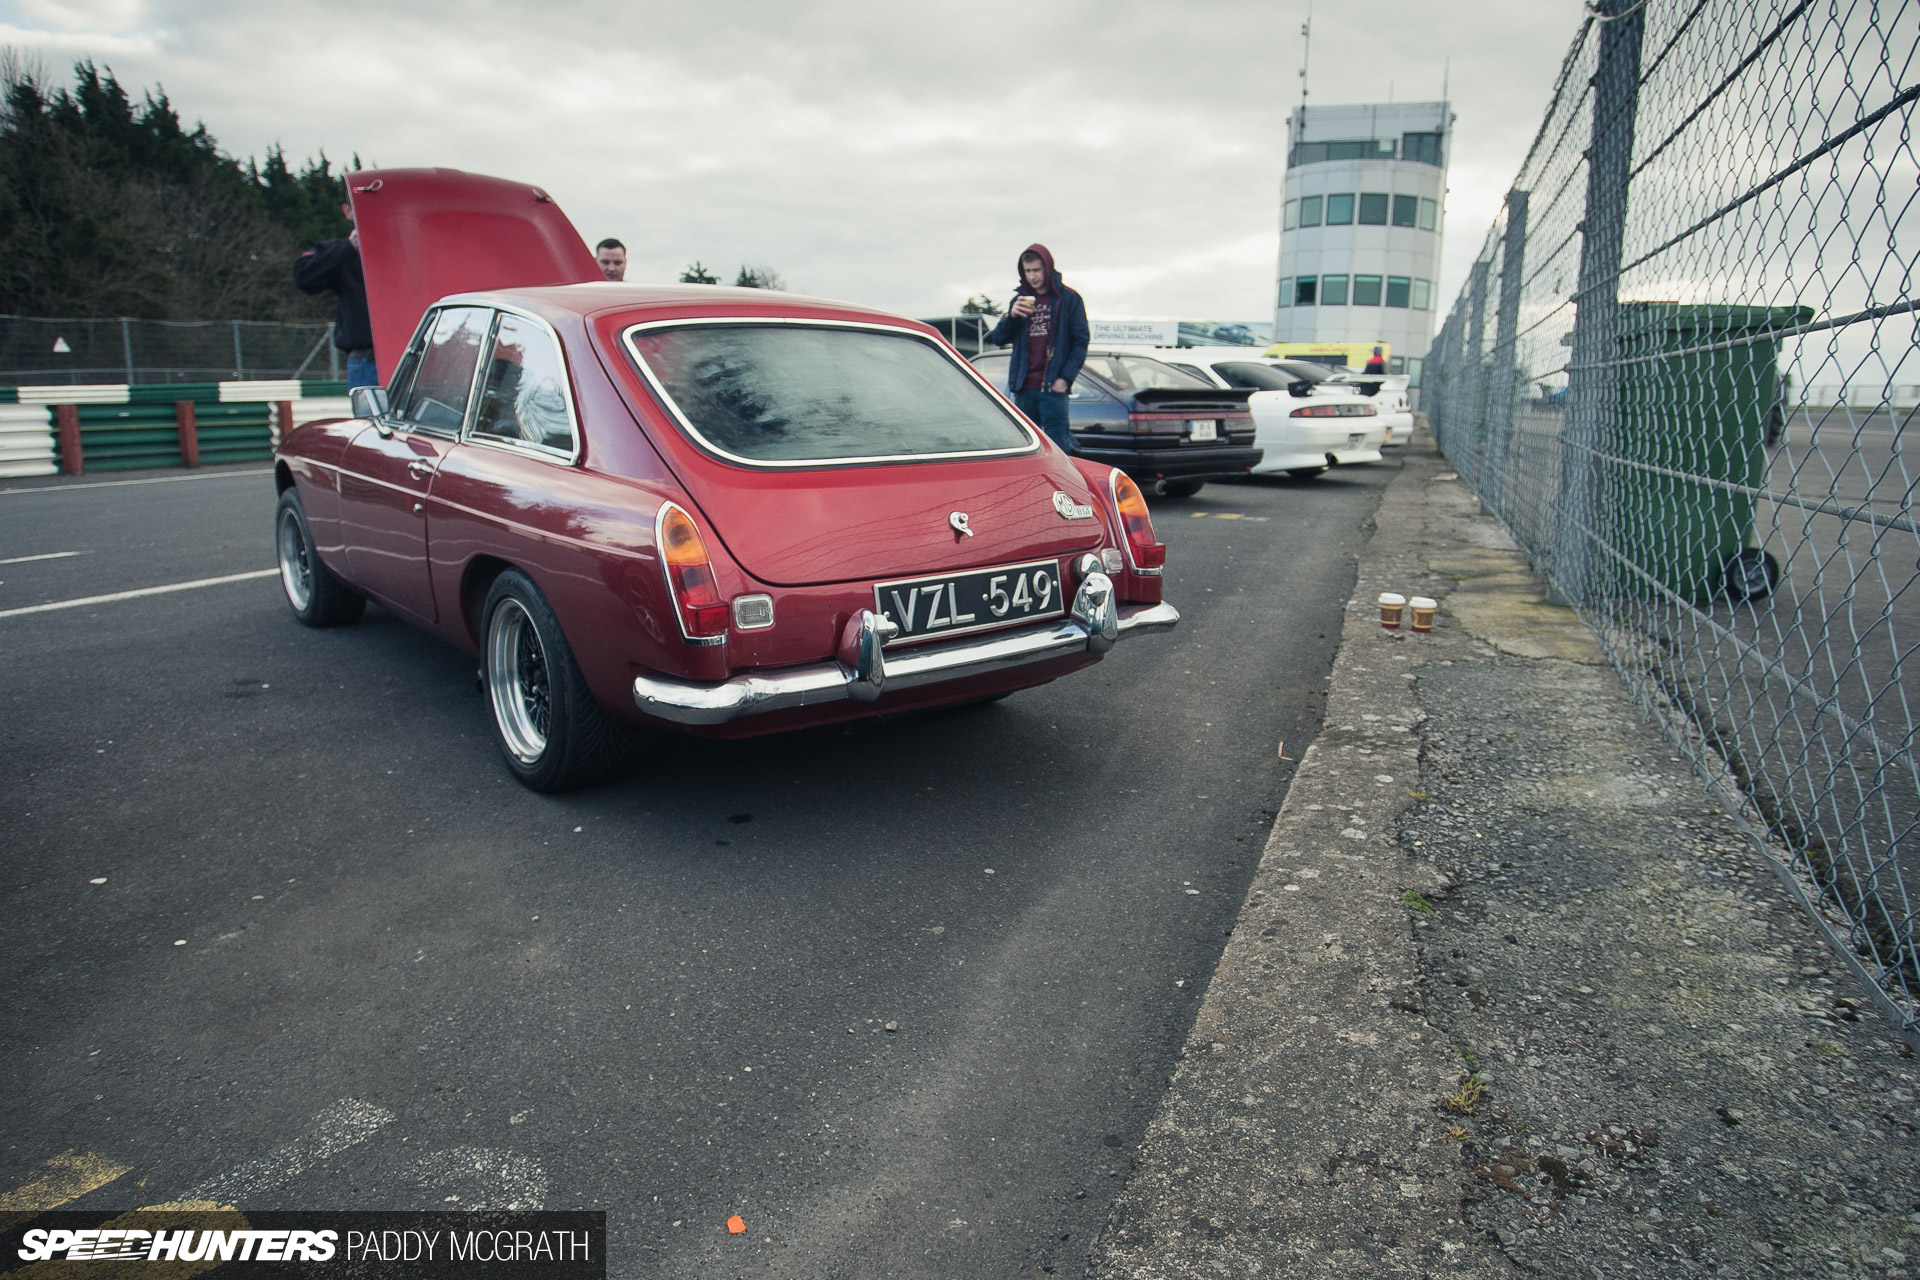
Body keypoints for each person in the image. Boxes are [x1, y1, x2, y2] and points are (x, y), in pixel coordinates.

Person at [986, 244, 1088, 454]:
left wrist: (1065, 379)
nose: (1032, 276)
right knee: (1026, 449)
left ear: (1047, 267)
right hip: (1024, 388)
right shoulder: (1019, 301)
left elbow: (1080, 342)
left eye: (1037, 270)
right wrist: (1011, 317)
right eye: (1028, 271)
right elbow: (998, 338)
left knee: (1059, 448)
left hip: (1053, 388)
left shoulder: (1069, 299)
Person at [293, 202, 377, 390]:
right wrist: (348, 247)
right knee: (369, 410)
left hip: (415, 357)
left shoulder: (408, 246)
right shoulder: (341, 252)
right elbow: (304, 277)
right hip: (368, 358)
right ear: (347, 211)